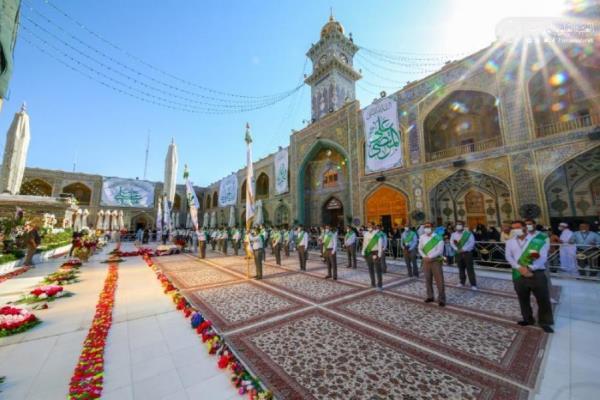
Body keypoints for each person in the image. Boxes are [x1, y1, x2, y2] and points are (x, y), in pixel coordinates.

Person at [505, 220, 554, 333]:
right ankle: (527, 319)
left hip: (536, 273)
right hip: (518, 273)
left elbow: (542, 257)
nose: (516, 230)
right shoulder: (510, 242)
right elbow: (508, 256)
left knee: (542, 298)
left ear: (525, 228)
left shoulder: (536, 241)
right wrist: (519, 267)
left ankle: (545, 322)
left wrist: (530, 267)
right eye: (513, 228)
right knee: (523, 298)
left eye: (518, 227)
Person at [418, 222, 446, 306]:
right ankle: (430, 296)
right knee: (428, 279)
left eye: (428, 227)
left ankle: (441, 299)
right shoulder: (422, 237)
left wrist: (430, 257)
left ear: (432, 228)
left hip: (436, 261)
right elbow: (420, 248)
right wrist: (424, 256)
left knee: (439, 280)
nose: (427, 228)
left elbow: (440, 251)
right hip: (426, 261)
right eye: (425, 227)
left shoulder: (438, 237)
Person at [450, 221, 477, 289]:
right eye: (457, 225)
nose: (458, 226)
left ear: (463, 226)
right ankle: (462, 282)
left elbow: (472, 243)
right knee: (461, 268)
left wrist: (464, 249)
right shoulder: (453, 234)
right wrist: (456, 249)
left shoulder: (468, 234)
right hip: (458, 253)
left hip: (467, 253)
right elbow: (451, 243)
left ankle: (473, 284)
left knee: (470, 269)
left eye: (460, 224)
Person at [362, 222, 384, 289]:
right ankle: (373, 283)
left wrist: (379, 254)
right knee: (370, 269)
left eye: (370, 225)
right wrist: (363, 252)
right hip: (368, 252)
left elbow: (380, 244)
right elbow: (364, 244)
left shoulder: (377, 234)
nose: (369, 227)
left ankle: (380, 285)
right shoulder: (366, 234)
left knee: (378, 269)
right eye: (368, 226)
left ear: (373, 226)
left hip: (375, 252)